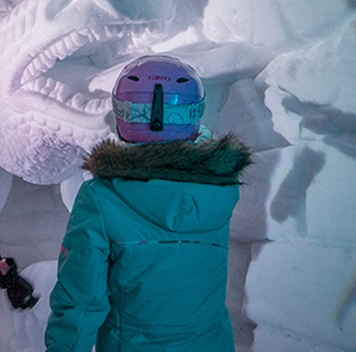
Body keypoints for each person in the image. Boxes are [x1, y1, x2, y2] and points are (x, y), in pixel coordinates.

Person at [45, 55, 253, 351]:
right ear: (192, 114)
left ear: (124, 113)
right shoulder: (217, 189)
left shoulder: (102, 198)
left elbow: (81, 299)